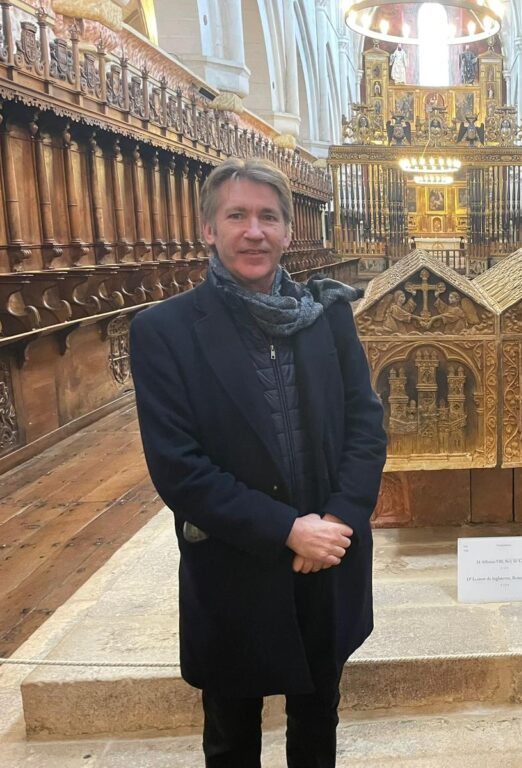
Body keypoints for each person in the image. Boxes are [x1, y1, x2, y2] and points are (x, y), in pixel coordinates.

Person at [130, 158, 387, 768]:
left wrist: (335, 525)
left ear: (289, 231)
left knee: (318, 719)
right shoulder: (164, 330)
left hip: (325, 556)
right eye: (237, 215)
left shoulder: (327, 315)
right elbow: (179, 467)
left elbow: (365, 426)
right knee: (231, 732)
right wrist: (285, 529)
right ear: (208, 230)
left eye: (268, 217)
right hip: (234, 563)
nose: (254, 231)